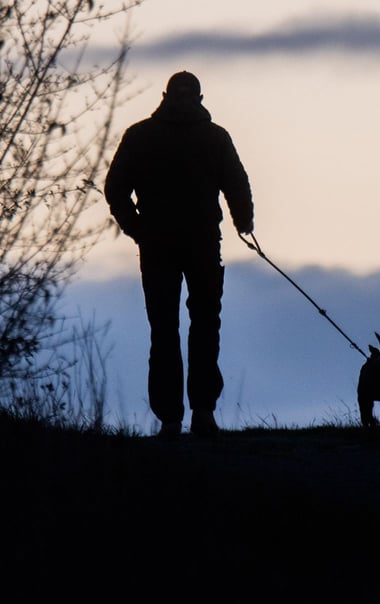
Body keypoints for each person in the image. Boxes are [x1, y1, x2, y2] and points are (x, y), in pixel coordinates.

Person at [104, 70, 254, 438]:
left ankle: (170, 419)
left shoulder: (140, 136)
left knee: (164, 330)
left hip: (157, 246)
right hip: (203, 243)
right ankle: (203, 412)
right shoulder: (215, 137)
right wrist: (243, 222)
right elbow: (237, 183)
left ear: (164, 96)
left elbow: (115, 189)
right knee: (205, 326)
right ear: (200, 99)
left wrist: (137, 228)